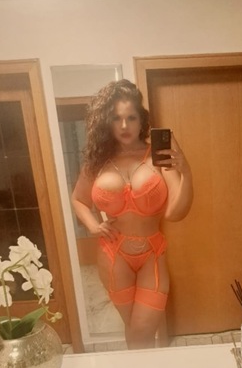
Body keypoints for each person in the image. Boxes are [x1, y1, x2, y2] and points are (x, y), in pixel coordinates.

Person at [71, 79, 193, 349]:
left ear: (141, 120)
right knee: (135, 330)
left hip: (152, 254)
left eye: (131, 117)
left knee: (141, 332)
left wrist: (186, 172)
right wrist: (93, 226)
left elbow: (176, 212)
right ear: (107, 121)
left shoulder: (158, 156)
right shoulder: (97, 160)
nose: (124, 125)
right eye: (116, 118)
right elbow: (78, 199)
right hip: (113, 255)